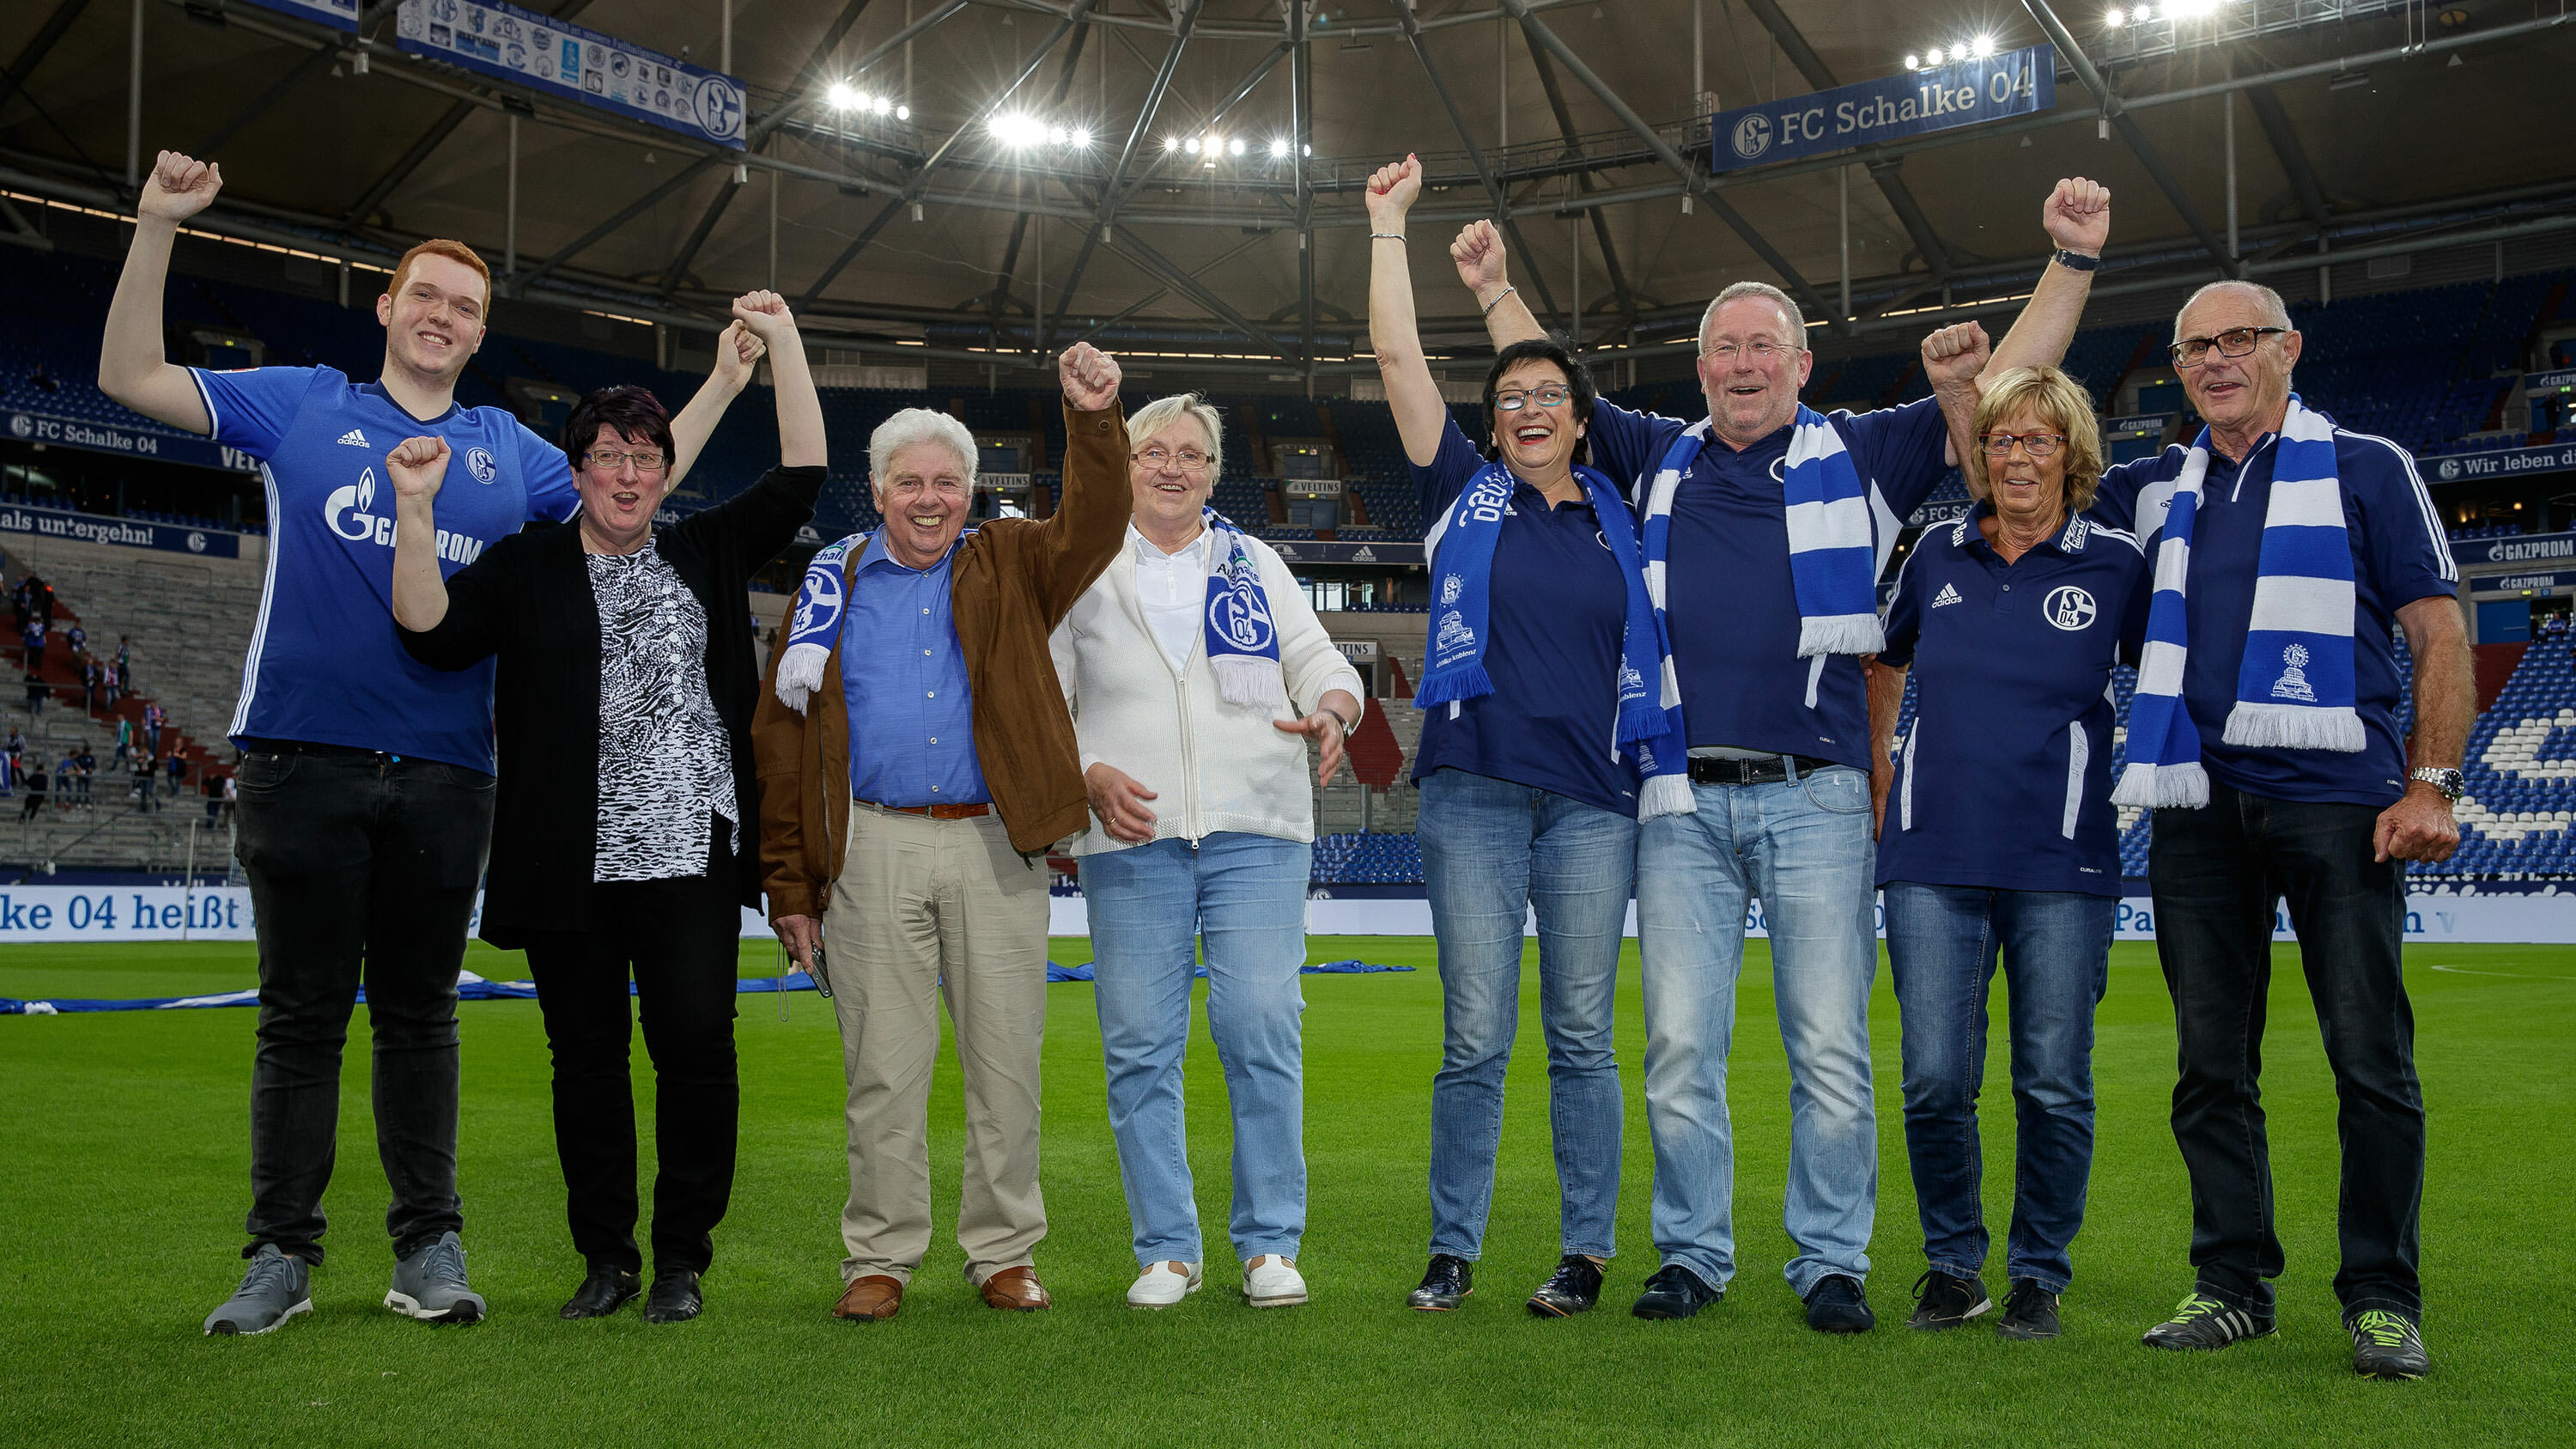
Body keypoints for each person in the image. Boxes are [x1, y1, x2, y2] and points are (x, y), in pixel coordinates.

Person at [99, 148, 757, 1337]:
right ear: (388, 307)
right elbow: (131, 374)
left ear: (479, 330)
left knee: (421, 1015)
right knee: (300, 1014)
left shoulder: (508, 450)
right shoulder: (303, 400)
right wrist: (155, 227)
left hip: (453, 770)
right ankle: (279, 1254)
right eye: (428, 296)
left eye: (468, 306)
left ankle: (428, 1248)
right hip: (301, 754)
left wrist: (720, 376)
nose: (445, 316)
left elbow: (638, 474)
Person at [1460, 175, 2111, 1330]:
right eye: (1724, 348)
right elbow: (1546, 387)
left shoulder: (1863, 452)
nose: (1743, 362)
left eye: (1765, 345)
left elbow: (2002, 386)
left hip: (1814, 793)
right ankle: (1695, 1252)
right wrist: (1497, 290)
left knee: (1827, 1041)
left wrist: (2069, 261)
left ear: (1802, 365)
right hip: (1676, 793)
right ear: (1701, 366)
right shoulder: (1654, 452)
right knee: (1676, 1042)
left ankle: (1827, 1259)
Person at [393, 291, 820, 1327]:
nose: (627, 475)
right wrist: (413, 513)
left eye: (645, 457)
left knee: (694, 1054)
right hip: (565, 867)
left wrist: (785, 346)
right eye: (608, 456)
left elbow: (802, 471)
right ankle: (606, 1257)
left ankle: (681, 1260)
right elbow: (431, 635)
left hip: (689, 863)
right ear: (577, 470)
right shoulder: (531, 564)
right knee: (585, 1065)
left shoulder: (705, 549)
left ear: (663, 472)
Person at [2087, 280, 2469, 1380]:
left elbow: (2441, 633)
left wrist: (2431, 782)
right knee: (2210, 1063)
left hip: (2341, 802)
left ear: (2287, 349)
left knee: (2370, 1060)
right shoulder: (2150, 485)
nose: (2214, 361)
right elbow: (2021, 476)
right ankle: (2232, 1284)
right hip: (2196, 801)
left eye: (2237, 339)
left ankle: (2383, 1295)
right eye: (2193, 348)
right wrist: (1970, 393)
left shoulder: (2367, 465)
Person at [754, 341, 1133, 1324]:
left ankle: (1005, 1251)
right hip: (869, 846)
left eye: (948, 483)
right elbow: (781, 739)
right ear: (876, 490)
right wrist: (789, 884)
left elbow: (1097, 522)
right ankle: (879, 1255)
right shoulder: (828, 584)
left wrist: (1092, 422)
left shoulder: (1011, 560)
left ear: (972, 491)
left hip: (994, 845)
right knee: (881, 1067)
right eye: (910, 482)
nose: (930, 499)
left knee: (1006, 1061)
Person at [1368, 155, 1662, 1320]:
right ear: (1494, 422)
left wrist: (1507, 292)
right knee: (1475, 1032)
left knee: (1583, 1034)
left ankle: (1585, 1250)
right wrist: (1389, 229)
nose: (1529, 409)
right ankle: (1454, 1247)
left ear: (1583, 423)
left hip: (1594, 802)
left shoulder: (1629, 518)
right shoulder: (1459, 491)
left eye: (1550, 396)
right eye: (1511, 398)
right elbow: (1397, 357)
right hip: (1474, 795)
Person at [1049, 391, 1363, 1312]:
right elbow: (1044, 696)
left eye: (1192, 453)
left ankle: (1269, 1244)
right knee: (1140, 1043)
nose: (1173, 467)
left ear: (1216, 472)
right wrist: (1088, 770)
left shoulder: (1255, 560)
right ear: (1127, 462)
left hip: (1256, 824)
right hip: (1130, 831)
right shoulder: (1085, 564)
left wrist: (1335, 712)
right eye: (1154, 451)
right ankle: (1167, 1250)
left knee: (1261, 1024)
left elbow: (1322, 662)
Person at [1866, 358, 2151, 1342]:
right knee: (1936, 1076)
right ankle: (1953, 1266)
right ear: (1979, 455)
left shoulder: (2116, 563)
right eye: (1998, 439)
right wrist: (1882, 784)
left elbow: (2163, 683)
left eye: (2036, 438)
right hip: (1930, 855)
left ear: (2072, 453)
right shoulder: (1937, 553)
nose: (2016, 456)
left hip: (2061, 861)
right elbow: (1883, 660)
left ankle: (2037, 1271)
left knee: (2052, 1078)